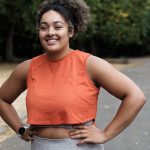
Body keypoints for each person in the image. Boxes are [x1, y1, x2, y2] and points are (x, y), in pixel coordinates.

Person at [0, 0, 146, 150]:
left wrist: (105, 134)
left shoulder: (90, 64)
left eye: (58, 27)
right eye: (44, 27)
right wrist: (20, 129)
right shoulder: (27, 68)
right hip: (41, 146)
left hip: (79, 146)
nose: (50, 32)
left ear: (70, 31)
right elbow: (2, 99)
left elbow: (135, 96)